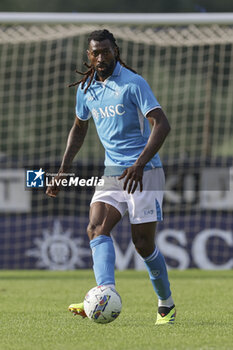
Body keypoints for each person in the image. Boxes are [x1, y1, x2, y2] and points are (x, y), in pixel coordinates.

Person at [46, 29, 176, 325]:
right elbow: (79, 128)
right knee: (96, 227)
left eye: (106, 51)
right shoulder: (86, 88)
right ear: (88, 55)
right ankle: (104, 293)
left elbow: (162, 124)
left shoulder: (133, 83)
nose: (101, 57)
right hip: (112, 173)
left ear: (115, 50)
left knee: (142, 244)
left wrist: (141, 163)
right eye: (96, 53)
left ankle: (166, 304)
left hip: (145, 173)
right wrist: (64, 169)